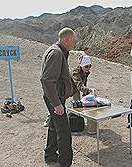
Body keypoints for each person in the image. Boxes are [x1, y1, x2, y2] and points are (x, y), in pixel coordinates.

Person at [40, 27, 77, 167]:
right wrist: (56, 104)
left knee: (54, 127)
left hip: (55, 97)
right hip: (54, 98)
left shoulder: (57, 50)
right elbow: (47, 80)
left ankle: (50, 156)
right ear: (67, 39)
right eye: (73, 42)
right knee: (64, 131)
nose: (73, 45)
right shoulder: (56, 53)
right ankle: (65, 163)